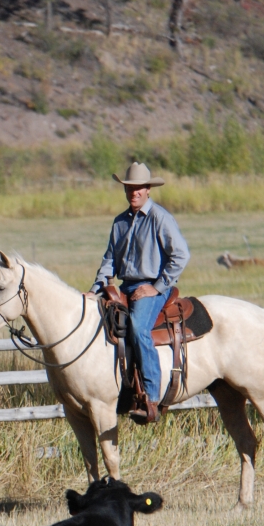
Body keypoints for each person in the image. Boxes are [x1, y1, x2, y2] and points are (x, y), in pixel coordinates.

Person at [92, 161, 190, 425]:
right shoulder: (119, 222)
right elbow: (109, 260)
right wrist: (95, 289)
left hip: (153, 287)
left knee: (137, 327)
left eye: (139, 188)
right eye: (130, 188)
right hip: (126, 286)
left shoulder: (160, 218)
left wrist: (156, 286)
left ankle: (151, 395)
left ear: (148, 189)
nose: (134, 192)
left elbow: (180, 255)